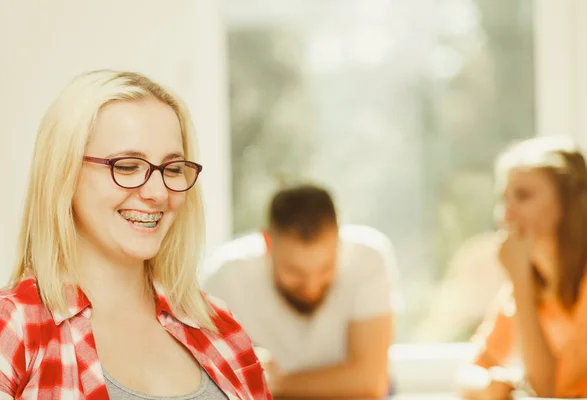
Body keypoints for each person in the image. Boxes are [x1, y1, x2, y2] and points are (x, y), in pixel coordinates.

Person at [0, 70, 270, 399]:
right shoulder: (14, 328)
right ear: (64, 174)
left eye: (172, 169)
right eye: (127, 166)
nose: (158, 192)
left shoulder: (218, 325)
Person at [201, 184, 399, 399]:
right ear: (268, 243)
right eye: (294, 272)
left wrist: (269, 382)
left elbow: (370, 382)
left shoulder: (367, 258)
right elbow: (210, 379)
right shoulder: (224, 276)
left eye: (325, 268)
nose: (311, 287)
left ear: (338, 238)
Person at [461, 136, 587, 399]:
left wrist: (519, 281)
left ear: (569, 202)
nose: (506, 215)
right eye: (504, 199)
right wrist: (491, 384)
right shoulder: (533, 279)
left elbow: (553, 390)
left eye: (523, 196)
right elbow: (471, 369)